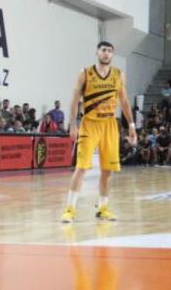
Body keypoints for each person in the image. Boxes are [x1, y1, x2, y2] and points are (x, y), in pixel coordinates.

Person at [61, 41, 137, 223]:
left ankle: (103, 208)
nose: (107, 53)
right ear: (97, 52)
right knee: (81, 167)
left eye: (110, 51)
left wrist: (132, 126)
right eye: (104, 50)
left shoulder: (119, 74)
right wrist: (72, 124)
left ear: (112, 54)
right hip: (90, 123)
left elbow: (125, 102)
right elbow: (74, 100)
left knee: (107, 170)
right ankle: (70, 209)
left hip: (110, 123)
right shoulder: (85, 73)